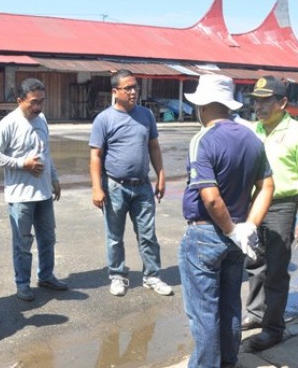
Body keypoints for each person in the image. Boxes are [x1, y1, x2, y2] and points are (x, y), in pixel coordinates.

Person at [179, 74, 273, 368]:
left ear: (203, 106)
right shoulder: (252, 137)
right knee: (231, 305)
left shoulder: (203, 139)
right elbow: (267, 186)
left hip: (207, 235)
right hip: (237, 239)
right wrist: (248, 227)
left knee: (204, 313)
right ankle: (229, 362)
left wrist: (232, 230)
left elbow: (210, 198)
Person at [243, 75, 298, 351]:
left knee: (275, 269)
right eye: (255, 101)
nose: (258, 107)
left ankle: (273, 329)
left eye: (265, 101)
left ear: (282, 102)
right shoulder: (253, 130)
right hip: (253, 206)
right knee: (254, 263)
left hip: (281, 206)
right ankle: (255, 313)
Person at [89, 69, 172, 297]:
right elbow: (96, 155)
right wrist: (97, 188)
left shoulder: (146, 115)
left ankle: (152, 276)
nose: (134, 91)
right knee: (115, 236)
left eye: (136, 87)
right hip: (115, 186)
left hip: (143, 186)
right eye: (128, 88)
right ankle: (117, 275)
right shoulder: (104, 119)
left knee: (147, 234)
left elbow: (153, 147)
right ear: (115, 92)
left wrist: (161, 176)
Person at [0, 78, 68, 302]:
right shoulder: (8, 123)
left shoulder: (41, 119)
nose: (38, 107)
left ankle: (46, 276)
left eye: (42, 101)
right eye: (33, 102)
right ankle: (22, 283)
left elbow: (46, 152)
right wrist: (23, 164)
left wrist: (54, 178)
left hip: (43, 194)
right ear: (20, 100)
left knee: (48, 238)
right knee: (23, 242)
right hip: (20, 195)